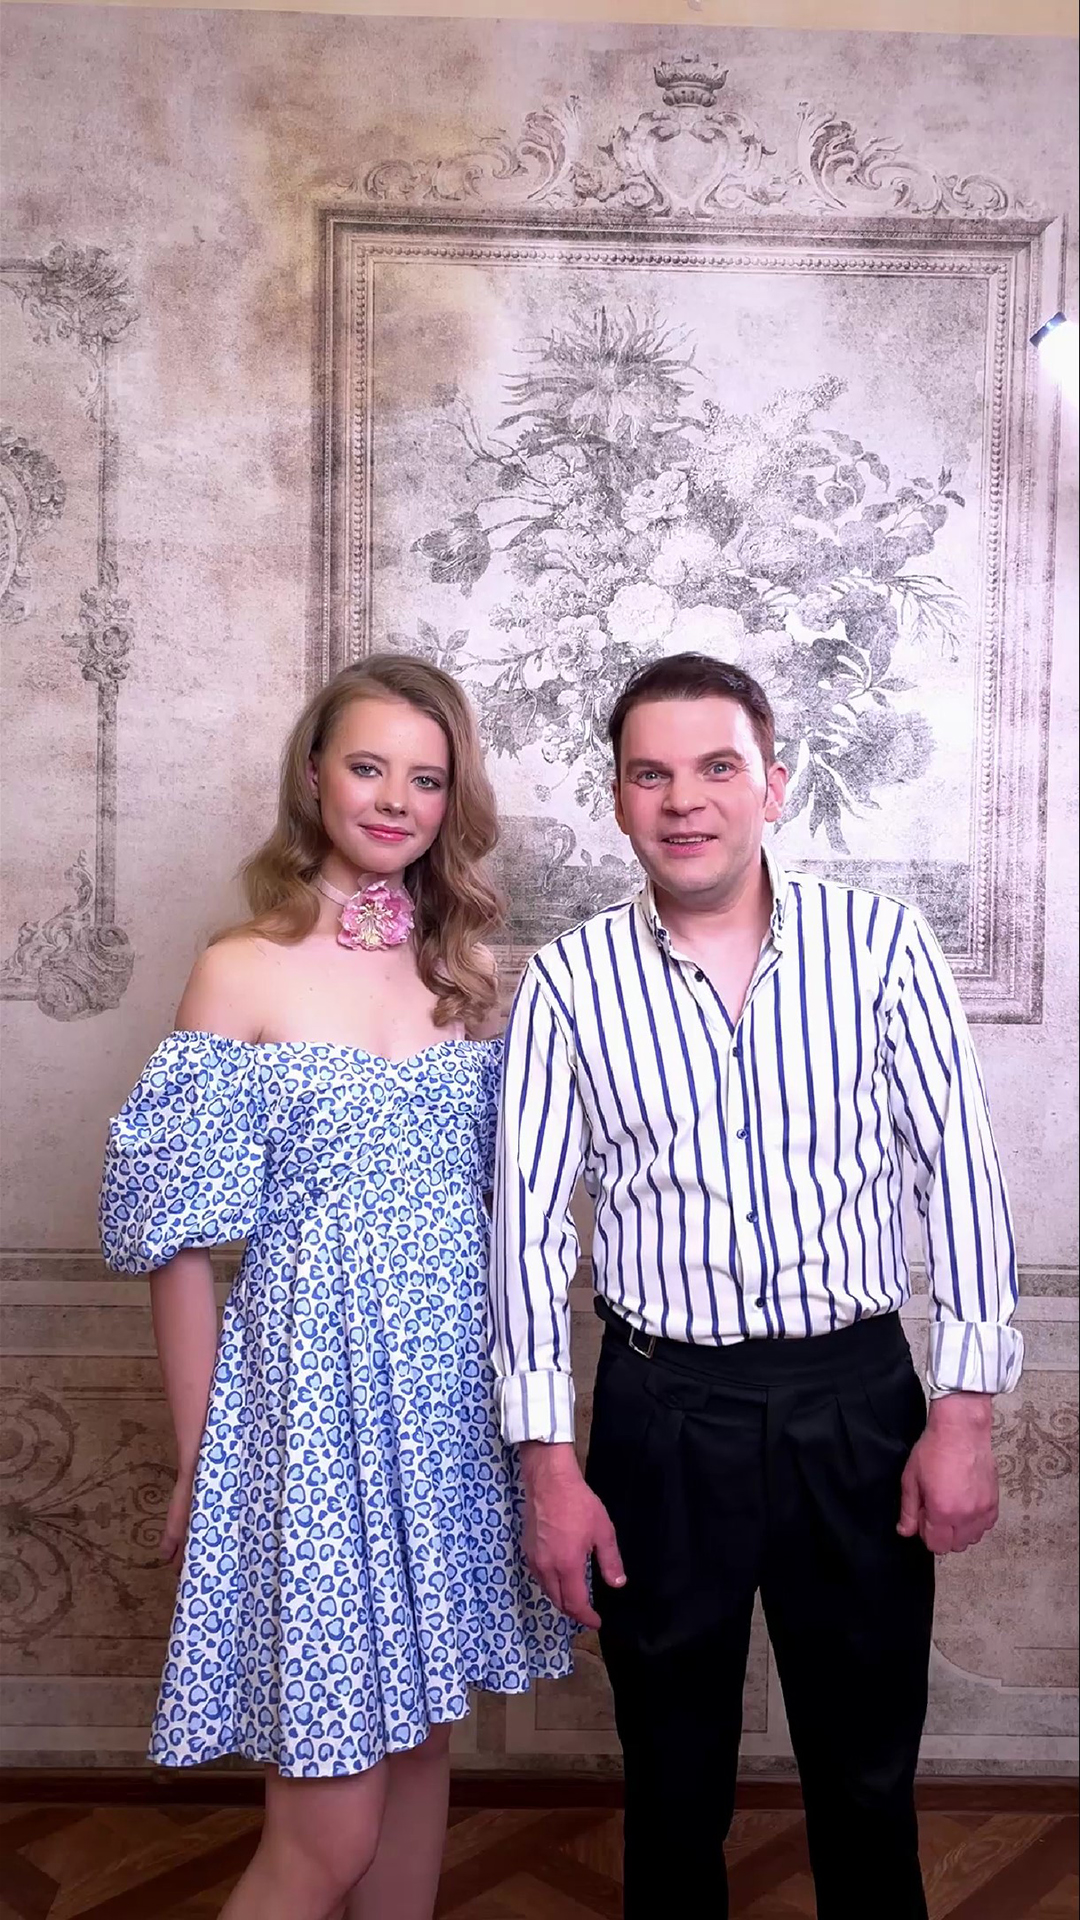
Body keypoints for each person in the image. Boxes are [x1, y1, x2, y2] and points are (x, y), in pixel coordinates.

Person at [490, 652, 1021, 1920]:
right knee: (672, 1781)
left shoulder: (881, 946)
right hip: (662, 1415)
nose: (686, 800)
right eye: (652, 775)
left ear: (773, 785)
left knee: (867, 1770)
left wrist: (964, 1412)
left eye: (718, 767)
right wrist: (547, 1466)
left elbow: (959, 1169)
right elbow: (524, 1230)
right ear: (618, 800)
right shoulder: (568, 982)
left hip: (856, 1400)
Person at [99, 655, 572, 1920]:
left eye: (427, 778)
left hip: (446, 1411)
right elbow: (174, 1242)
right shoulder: (238, 968)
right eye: (368, 767)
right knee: (326, 1837)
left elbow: (515, 1210)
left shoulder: (465, 972)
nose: (396, 800)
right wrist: (202, 1459)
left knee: (417, 1765)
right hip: (308, 1417)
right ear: (313, 776)